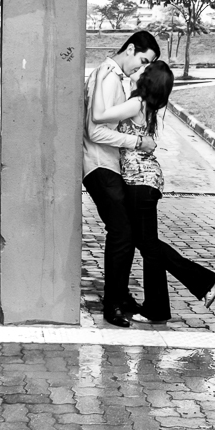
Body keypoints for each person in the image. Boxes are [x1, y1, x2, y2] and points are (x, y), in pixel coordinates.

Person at [92, 59, 215, 323]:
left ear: (148, 81)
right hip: (147, 180)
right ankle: (158, 308)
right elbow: (129, 83)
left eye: (145, 69)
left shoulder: (135, 104)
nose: (140, 70)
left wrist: (97, 79)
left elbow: (98, 116)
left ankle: (204, 281)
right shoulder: (148, 105)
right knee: (147, 244)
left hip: (140, 183)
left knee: (148, 244)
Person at [83, 31, 161, 328]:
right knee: (122, 232)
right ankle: (113, 303)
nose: (141, 69)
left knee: (125, 232)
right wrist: (138, 143)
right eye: (142, 61)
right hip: (99, 164)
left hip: (110, 163)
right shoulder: (107, 76)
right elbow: (95, 131)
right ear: (129, 49)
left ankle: (121, 296)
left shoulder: (116, 76)